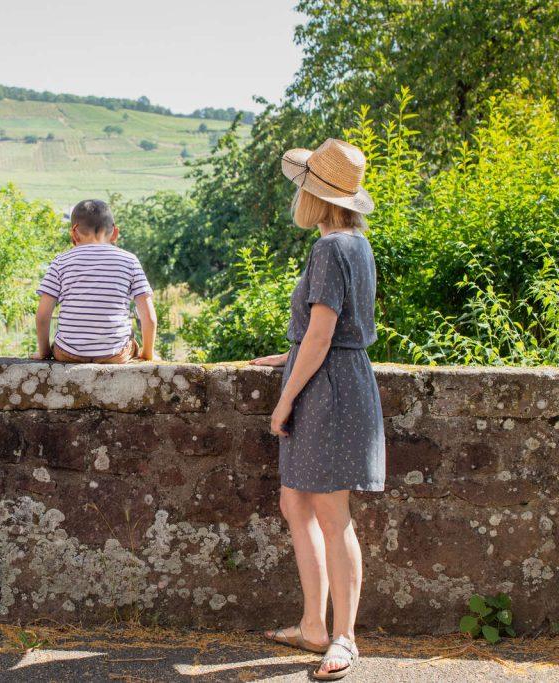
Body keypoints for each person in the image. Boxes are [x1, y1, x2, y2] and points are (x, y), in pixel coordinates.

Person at [252, 139, 385, 680]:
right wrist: (288, 355)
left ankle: (344, 638)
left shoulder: (329, 249)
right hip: (333, 379)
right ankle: (312, 625)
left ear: (315, 197)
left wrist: (285, 398)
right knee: (295, 503)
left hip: (326, 391)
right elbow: (331, 329)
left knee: (332, 517)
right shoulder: (356, 244)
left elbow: (327, 332)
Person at [31, 199, 157, 363]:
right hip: (114, 354)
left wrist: (44, 352)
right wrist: (148, 354)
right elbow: (149, 317)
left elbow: (42, 315)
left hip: (68, 354)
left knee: (60, 343)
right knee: (132, 342)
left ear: (74, 232)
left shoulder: (60, 261)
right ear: (115, 233)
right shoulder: (129, 260)